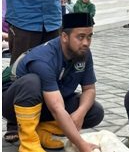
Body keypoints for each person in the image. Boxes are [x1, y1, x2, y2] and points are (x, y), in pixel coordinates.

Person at [2, 13, 104, 152]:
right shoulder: (43, 59)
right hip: (14, 104)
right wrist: (81, 145)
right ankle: (29, 143)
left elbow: (89, 89)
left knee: (94, 111)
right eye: (80, 37)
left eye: (89, 36)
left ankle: (44, 131)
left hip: (49, 102)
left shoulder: (83, 52)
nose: (86, 42)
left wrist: (80, 113)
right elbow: (57, 108)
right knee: (32, 82)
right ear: (64, 37)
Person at [2, 0, 69, 142]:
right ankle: (15, 123)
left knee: (54, 70)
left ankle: (45, 120)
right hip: (23, 19)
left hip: (52, 20)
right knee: (20, 71)